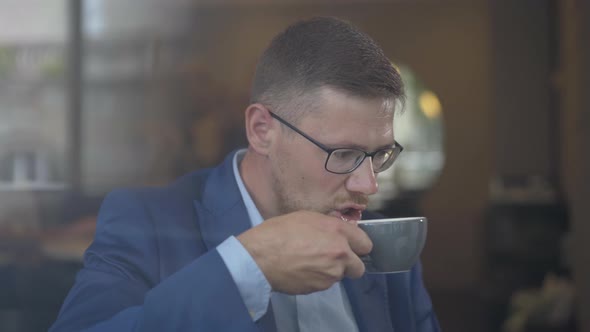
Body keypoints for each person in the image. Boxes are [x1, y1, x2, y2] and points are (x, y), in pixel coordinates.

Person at [50, 16, 440, 332]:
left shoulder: (385, 249)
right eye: (344, 154)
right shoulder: (145, 222)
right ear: (261, 131)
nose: (369, 185)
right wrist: (249, 266)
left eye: (380, 155)